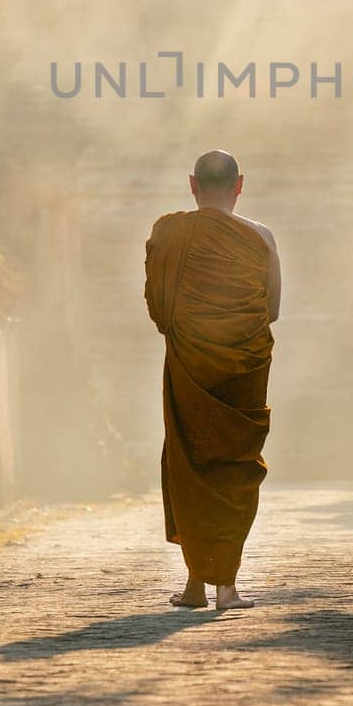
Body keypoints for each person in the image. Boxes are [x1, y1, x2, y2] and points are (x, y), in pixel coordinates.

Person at [144, 149, 280, 610]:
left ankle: (195, 586)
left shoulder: (170, 234)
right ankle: (227, 588)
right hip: (242, 370)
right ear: (240, 184)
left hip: (189, 367)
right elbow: (273, 310)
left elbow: (160, 311)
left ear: (192, 184)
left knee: (188, 464)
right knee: (234, 468)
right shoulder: (261, 238)